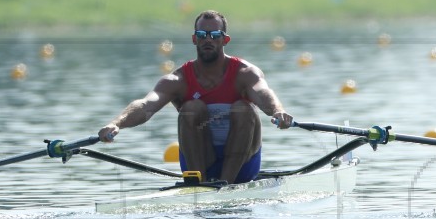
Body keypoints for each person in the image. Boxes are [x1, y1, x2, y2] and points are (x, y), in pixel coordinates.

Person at [98, 10, 293, 184]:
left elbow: (263, 93)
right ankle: (200, 184)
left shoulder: (245, 73)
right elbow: (146, 105)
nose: (208, 39)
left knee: (244, 108)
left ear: (225, 40)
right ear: (194, 39)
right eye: (202, 35)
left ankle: (225, 182)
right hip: (200, 160)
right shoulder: (177, 79)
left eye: (214, 35)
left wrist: (278, 111)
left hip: (243, 164)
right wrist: (117, 123)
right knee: (192, 108)